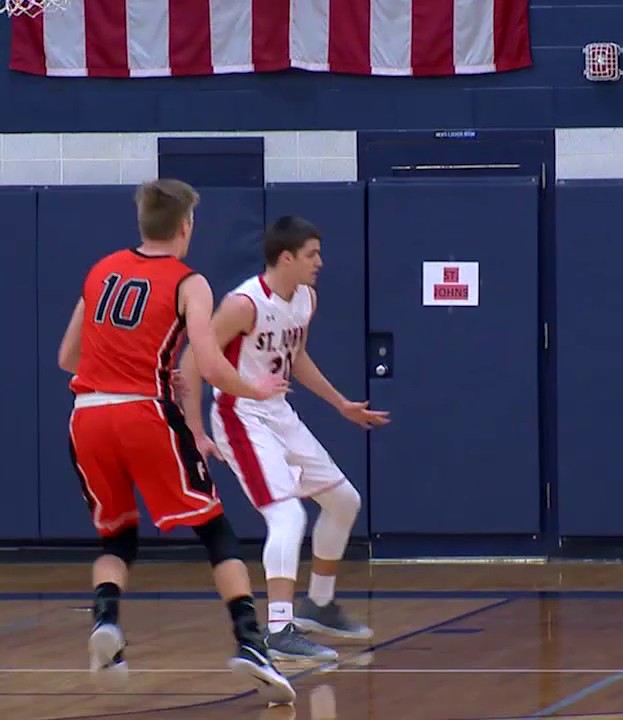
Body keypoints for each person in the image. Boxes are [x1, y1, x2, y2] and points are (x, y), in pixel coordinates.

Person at [57, 179, 295, 705]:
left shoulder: (100, 270)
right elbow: (210, 365)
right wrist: (253, 386)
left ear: (143, 224)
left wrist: (145, 368)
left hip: (87, 416)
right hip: (144, 414)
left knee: (116, 538)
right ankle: (252, 644)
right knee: (214, 528)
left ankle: (107, 621)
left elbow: (68, 357)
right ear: (186, 227)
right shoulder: (190, 281)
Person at [179, 216, 389, 661]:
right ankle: (277, 628)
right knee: (288, 516)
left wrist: (340, 404)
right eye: (312, 254)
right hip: (241, 416)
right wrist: (195, 430)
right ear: (287, 257)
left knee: (344, 500)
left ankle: (320, 603)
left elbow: (296, 358)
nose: (321, 262)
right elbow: (192, 362)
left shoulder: (305, 299)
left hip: (278, 412)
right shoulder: (243, 305)